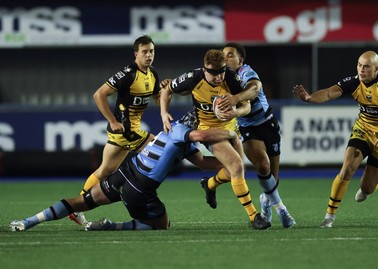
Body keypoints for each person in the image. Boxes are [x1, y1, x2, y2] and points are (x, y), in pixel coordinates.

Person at [10, 111, 270, 231]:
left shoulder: (176, 137)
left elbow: (202, 161)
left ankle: (29, 221)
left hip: (124, 173)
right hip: (140, 188)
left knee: (83, 201)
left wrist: (229, 162)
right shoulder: (181, 132)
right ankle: (112, 227)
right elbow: (201, 134)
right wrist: (228, 133)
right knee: (162, 224)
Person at [159, 49, 268, 228]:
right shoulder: (193, 77)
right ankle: (254, 217)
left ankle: (209, 184)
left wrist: (236, 111)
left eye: (221, 72)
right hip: (209, 130)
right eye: (214, 74)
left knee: (236, 171)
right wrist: (164, 113)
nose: (218, 77)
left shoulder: (232, 78)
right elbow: (167, 90)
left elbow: (247, 105)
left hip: (231, 127)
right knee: (236, 165)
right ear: (204, 69)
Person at [293, 51, 378, 228]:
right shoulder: (354, 81)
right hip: (363, 130)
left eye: (366, 66)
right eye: (359, 65)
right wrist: (310, 98)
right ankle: (329, 216)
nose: (361, 70)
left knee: (367, 187)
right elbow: (329, 93)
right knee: (347, 168)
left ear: (376, 69)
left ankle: (368, 189)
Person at [69, 35, 162, 225]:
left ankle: (76, 206)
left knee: (105, 170)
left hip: (126, 133)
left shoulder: (152, 74)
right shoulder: (127, 74)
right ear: (136, 53)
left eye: (151, 51)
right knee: (160, 148)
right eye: (144, 52)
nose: (149, 55)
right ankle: (141, 196)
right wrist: (112, 120)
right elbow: (99, 94)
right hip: (125, 131)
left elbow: (157, 99)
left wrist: (165, 90)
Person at [200, 42, 295, 228]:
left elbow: (254, 89)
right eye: (223, 55)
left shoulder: (245, 72)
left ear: (240, 60)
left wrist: (235, 98)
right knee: (262, 165)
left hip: (268, 124)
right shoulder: (220, 77)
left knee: (272, 178)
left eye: (230, 55)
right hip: (247, 128)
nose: (225, 58)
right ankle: (282, 209)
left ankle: (264, 202)